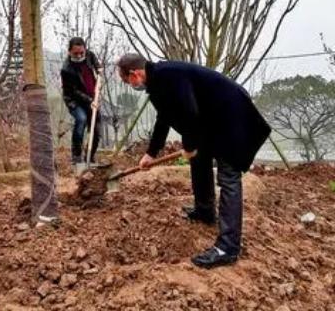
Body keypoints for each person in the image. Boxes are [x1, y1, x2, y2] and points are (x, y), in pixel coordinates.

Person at [116, 54, 271, 269]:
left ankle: (227, 248)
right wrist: (151, 153)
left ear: (134, 74)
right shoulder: (158, 83)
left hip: (232, 118)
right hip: (213, 121)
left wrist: (189, 146)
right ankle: (205, 210)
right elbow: (164, 118)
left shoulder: (168, 75)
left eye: (126, 81)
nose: (129, 85)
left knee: (228, 177)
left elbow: (190, 112)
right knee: (199, 159)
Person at [61, 37, 102, 165]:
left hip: (92, 97)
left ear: (85, 50)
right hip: (75, 100)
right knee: (81, 120)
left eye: (81, 53)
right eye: (75, 53)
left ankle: (90, 157)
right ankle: (76, 156)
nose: (79, 56)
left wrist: (98, 68)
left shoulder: (89, 55)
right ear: (69, 52)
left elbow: (94, 60)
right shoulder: (66, 69)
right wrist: (90, 100)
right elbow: (73, 91)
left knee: (96, 129)